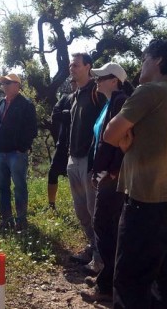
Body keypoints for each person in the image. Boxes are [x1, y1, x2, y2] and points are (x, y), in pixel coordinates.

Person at [103, 39, 167, 308]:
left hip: (145, 199)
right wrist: (127, 143)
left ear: (158, 62)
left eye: (144, 59)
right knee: (164, 278)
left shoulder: (149, 91)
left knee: (130, 280)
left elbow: (110, 134)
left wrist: (123, 141)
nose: (141, 66)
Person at [80, 62, 133, 303]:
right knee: (106, 228)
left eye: (103, 77)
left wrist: (112, 170)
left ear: (115, 80)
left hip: (112, 178)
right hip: (105, 175)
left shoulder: (121, 101)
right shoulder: (111, 102)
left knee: (104, 227)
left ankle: (107, 287)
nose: (97, 80)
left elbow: (125, 137)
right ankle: (108, 278)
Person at [67, 53, 106, 275]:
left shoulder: (96, 91)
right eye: (71, 64)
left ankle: (101, 259)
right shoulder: (76, 94)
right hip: (74, 160)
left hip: (90, 161)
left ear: (88, 67)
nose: (71, 68)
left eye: (76, 64)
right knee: (81, 210)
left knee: (94, 210)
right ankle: (92, 247)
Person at [0, 73, 37, 231]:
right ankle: (6, 219)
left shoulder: (26, 104)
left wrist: (21, 148)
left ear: (17, 85)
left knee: (19, 186)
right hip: (0, 152)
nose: (4, 85)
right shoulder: (1, 103)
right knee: (2, 186)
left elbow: (32, 129)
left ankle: (21, 220)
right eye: (3, 83)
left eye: (8, 82)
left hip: (16, 154)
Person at [47, 79, 76, 210]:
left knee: (79, 178)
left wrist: (67, 115)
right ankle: (51, 205)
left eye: (74, 81)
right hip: (63, 143)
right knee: (53, 172)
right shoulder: (66, 98)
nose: (73, 83)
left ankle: (80, 206)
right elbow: (55, 114)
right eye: (72, 81)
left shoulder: (91, 97)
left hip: (81, 145)